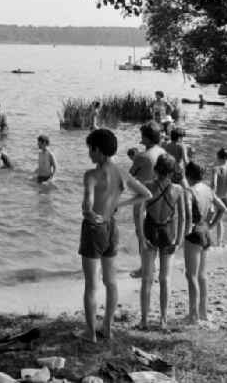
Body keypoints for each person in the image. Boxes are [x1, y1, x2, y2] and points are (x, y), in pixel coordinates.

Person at [76, 129, 151, 342]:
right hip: (111, 227)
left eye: (90, 149)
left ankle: (90, 333)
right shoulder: (122, 173)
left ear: (98, 150)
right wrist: (120, 203)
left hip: (94, 229)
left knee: (91, 284)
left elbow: (87, 204)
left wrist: (89, 212)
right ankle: (107, 327)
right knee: (110, 281)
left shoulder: (91, 175)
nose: (89, 154)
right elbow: (146, 194)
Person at [137, 154, 184, 330]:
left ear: (156, 169)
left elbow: (140, 213)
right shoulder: (178, 189)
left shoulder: (147, 186)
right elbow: (184, 218)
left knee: (147, 279)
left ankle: (144, 321)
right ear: (172, 172)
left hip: (150, 230)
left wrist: (142, 237)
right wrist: (178, 240)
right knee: (165, 278)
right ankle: (163, 319)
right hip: (168, 232)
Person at [183, 161, 227, 324]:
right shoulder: (208, 189)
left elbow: (187, 216)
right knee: (202, 275)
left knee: (191, 275)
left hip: (194, 233)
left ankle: (193, 315)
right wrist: (212, 225)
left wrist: (183, 233)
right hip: (206, 231)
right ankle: (203, 312)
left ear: (188, 175)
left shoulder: (189, 191)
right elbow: (223, 208)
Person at [129, 122, 166, 278]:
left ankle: (145, 267)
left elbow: (129, 176)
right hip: (160, 197)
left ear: (147, 138)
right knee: (154, 232)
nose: (141, 137)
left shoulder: (142, 157)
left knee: (141, 234)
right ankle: (153, 267)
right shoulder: (163, 151)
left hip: (142, 199)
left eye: (142, 134)